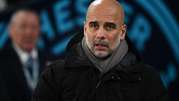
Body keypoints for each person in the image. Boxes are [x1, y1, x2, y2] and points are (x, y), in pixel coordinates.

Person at [33, 0, 168, 101]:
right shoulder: (54, 76)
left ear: (122, 32)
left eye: (109, 26)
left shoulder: (148, 80)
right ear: (85, 29)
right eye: (94, 26)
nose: (100, 34)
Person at [0, 9, 47, 101]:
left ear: (39, 31)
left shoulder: (53, 60)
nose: (28, 32)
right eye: (23, 26)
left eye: (33, 27)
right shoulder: (1, 61)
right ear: (11, 30)